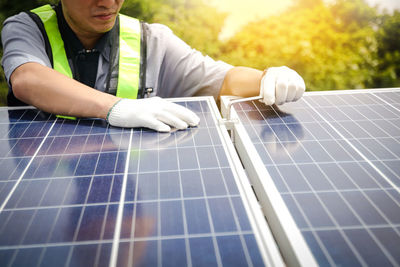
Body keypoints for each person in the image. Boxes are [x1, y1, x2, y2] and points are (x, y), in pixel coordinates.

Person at [1, 0, 306, 132]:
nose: (108, 4)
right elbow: (28, 79)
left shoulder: (152, 39)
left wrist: (267, 77)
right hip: (39, 192)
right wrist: (117, 107)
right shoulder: (27, 27)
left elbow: (223, 79)